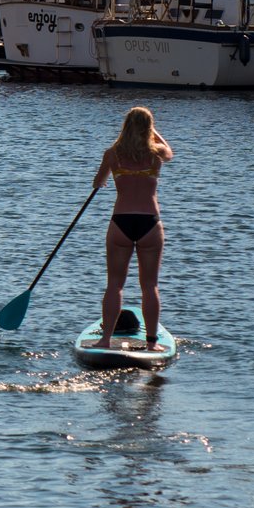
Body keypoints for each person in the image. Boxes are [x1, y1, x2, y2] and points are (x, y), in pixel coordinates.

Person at [91, 107, 173, 349]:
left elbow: (98, 182)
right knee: (150, 285)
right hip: (150, 223)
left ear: (125, 127)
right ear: (149, 129)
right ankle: (151, 343)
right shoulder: (156, 153)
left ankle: (105, 340)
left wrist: (108, 175)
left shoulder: (113, 153)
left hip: (121, 223)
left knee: (115, 284)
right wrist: (153, 132)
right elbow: (170, 152)